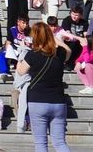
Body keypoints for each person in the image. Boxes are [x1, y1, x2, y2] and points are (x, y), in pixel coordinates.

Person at [17, 22, 72, 152]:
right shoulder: (59, 54)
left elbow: (20, 71)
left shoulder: (32, 55)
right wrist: (56, 40)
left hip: (37, 100)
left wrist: (23, 50)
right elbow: (69, 50)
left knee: (41, 143)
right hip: (58, 102)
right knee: (60, 143)